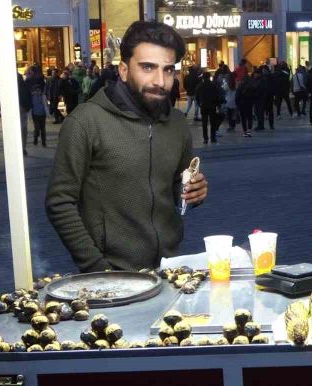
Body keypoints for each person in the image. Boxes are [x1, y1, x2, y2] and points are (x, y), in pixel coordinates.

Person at [46, 20, 208, 272]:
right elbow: (59, 202)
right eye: (147, 67)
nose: (161, 81)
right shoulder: (86, 121)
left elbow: (177, 185)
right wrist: (97, 268)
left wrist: (193, 192)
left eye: (168, 70)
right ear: (123, 70)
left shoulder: (177, 122)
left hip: (168, 269)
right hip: (111, 274)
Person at [195, 72, 222, 144]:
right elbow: (217, 96)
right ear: (209, 77)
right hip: (212, 106)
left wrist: (199, 103)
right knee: (212, 122)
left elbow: (197, 97)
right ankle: (213, 138)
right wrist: (218, 105)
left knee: (204, 123)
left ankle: (205, 138)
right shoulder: (213, 85)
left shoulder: (199, 86)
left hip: (203, 106)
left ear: (203, 77)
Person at [254, 66, 274, 131]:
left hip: (267, 97)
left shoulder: (268, 77)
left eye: (265, 70)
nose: (264, 72)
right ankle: (261, 125)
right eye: (263, 70)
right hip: (263, 97)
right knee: (259, 112)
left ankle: (270, 125)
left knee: (267, 111)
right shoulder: (261, 78)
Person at [236, 72, 256, 137]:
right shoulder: (251, 85)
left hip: (242, 104)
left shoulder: (240, 85)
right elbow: (253, 95)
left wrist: (237, 103)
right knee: (249, 117)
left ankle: (245, 131)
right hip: (249, 103)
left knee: (243, 118)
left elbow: (237, 96)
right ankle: (249, 130)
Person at [18, 71, 31, 156]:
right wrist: (27, 108)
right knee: (23, 129)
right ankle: (23, 147)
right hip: (22, 109)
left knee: (20, 129)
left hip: (18, 109)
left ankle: (20, 147)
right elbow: (28, 98)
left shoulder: (10, 87)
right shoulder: (24, 85)